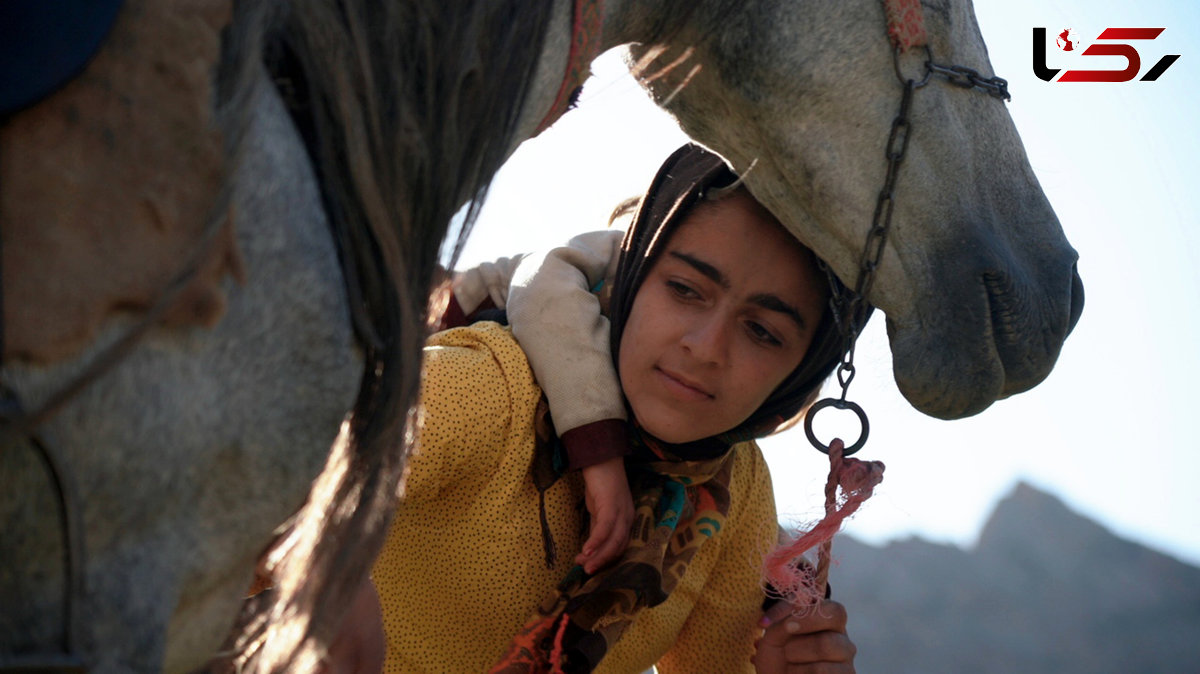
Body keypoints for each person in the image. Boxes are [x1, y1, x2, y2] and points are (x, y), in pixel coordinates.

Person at [363, 143, 857, 673]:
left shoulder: (738, 490)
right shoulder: (487, 390)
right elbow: (275, 480)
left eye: (762, 331)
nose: (706, 347)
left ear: (800, 374)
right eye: (685, 289)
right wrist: (325, 579)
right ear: (632, 277)